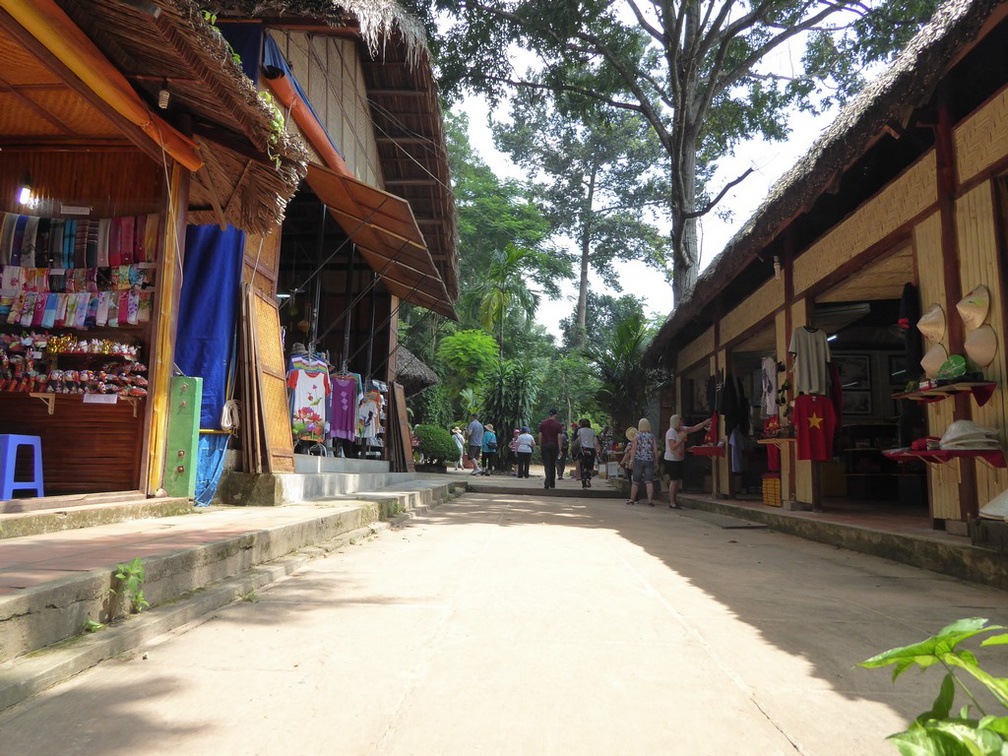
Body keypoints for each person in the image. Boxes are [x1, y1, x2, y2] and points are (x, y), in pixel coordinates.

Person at [664, 413, 711, 508]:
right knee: (674, 480)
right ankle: (672, 502)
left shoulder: (682, 429)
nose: (682, 421)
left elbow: (693, 428)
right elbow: (672, 447)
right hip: (672, 459)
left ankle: (674, 500)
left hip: (679, 458)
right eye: (681, 420)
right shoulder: (671, 432)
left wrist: (703, 423)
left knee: (677, 481)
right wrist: (681, 441)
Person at [626, 417, 659, 506]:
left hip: (638, 460)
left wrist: (631, 461)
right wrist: (656, 461)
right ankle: (650, 501)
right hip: (649, 460)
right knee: (649, 481)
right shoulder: (652, 436)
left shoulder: (637, 435)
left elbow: (633, 449)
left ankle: (632, 499)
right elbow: (655, 450)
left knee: (636, 481)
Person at [538, 408, 564, 489]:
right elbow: (559, 437)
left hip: (545, 445)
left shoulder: (543, 423)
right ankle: (552, 482)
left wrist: (541, 445)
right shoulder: (558, 425)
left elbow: (540, 435)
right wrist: (560, 449)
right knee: (552, 464)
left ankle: (547, 480)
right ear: (555, 415)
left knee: (547, 464)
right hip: (554, 445)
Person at [575, 418, 600, 489]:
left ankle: (583, 480)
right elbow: (595, 442)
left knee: (583, 465)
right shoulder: (592, 431)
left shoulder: (580, 431)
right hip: (591, 450)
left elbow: (579, 440)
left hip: (583, 449)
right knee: (590, 465)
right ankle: (588, 478)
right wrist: (597, 452)